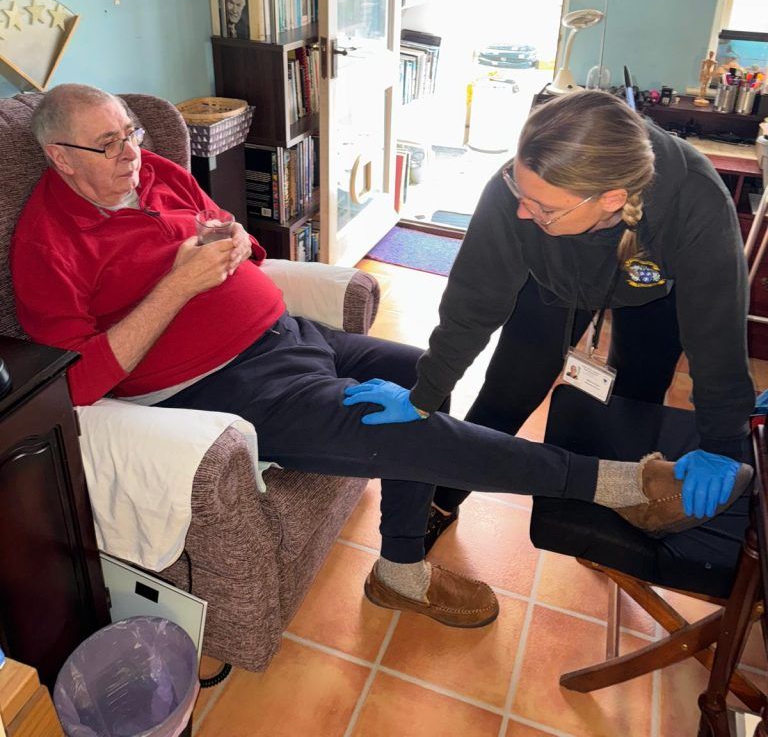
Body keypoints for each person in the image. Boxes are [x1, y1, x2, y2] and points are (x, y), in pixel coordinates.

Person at [10, 85, 750, 630]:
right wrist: (176, 285)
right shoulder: (46, 246)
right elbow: (73, 385)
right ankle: (617, 484)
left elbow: (244, 242)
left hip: (284, 337)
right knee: (413, 421)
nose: (133, 154)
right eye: (108, 144)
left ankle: (399, 570)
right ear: (58, 158)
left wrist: (234, 243)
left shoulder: (159, 175)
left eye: (132, 133)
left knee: (406, 374)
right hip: (217, 386)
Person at [348, 90, 757, 554]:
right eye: (521, 194)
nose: (524, 211)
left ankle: (618, 499)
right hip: (553, 283)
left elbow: (716, 333)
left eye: (543, 208)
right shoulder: (515, 191)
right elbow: (471, 305)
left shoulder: (695, 201)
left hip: (655, 292)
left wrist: (723, 442)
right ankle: (443, 501)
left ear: (611, 199)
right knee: (505, 395)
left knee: (634, 402)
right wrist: (424, 392)